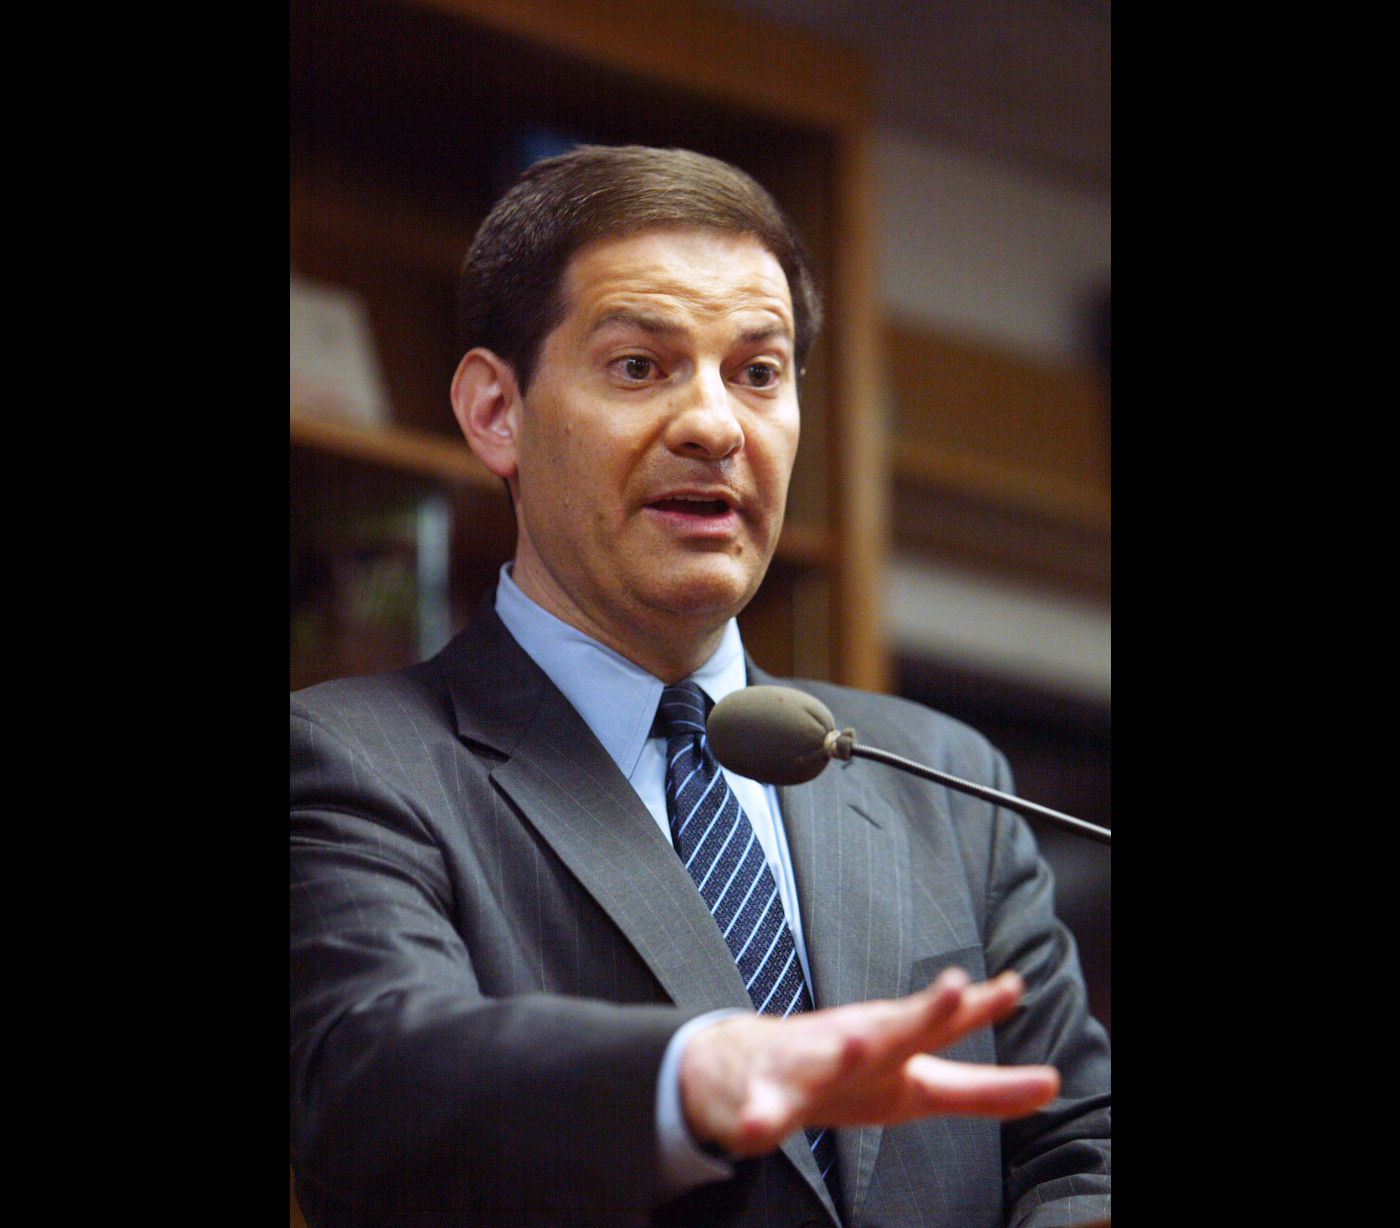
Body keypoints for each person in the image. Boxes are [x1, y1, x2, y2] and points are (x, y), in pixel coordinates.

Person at [291, 145, 1110, 1228]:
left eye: (757, 373)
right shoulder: (350, 759)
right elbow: (373, 1077)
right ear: (496, 411)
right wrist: (702, 1075)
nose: (716, 425)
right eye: (640, 366)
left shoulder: (947, 777)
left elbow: (1078, 1147)